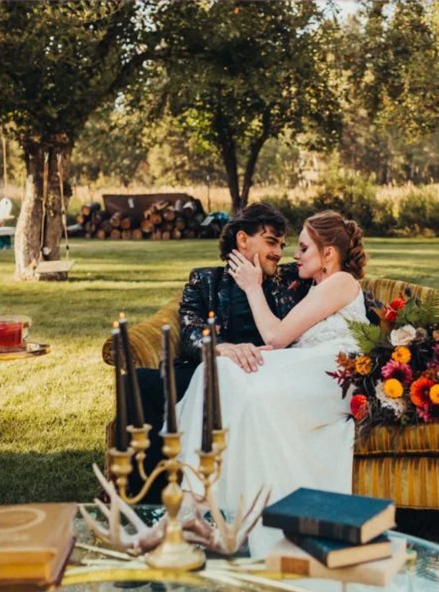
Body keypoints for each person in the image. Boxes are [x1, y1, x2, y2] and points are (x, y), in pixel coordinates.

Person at [130, 203, 379, 500]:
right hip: (263, 364)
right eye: (273, 243)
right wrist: (221, 349)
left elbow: (362, 309)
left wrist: (393, 342)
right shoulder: (205, 280)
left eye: (296, 247)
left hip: (303, 368)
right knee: (207, 373)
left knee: (228, 380)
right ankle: (163, 495)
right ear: (243, 241)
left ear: (327, 253)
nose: (287, 254)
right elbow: (191, 331)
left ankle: (196, 497)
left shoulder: (298, 279)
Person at [175, 211, 369, 558]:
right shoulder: (315, 285)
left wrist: (252, 286)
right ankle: (195, 503)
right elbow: (283, 339)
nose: (294, 255)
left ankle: (209, 511)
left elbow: (278, 336)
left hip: (332, 374)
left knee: (235, 383)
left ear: (328, 254)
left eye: (303, 248)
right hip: (307, 369)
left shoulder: (341, 281)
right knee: (219, 370)